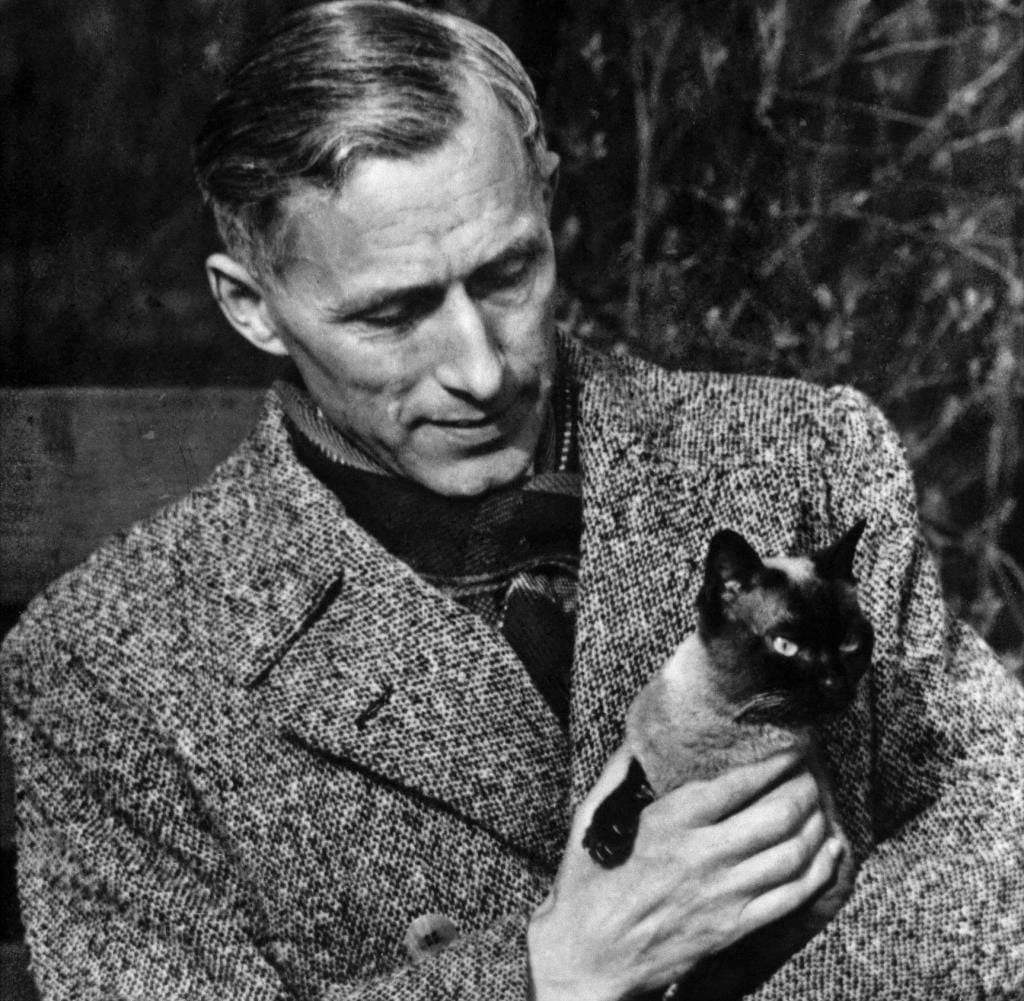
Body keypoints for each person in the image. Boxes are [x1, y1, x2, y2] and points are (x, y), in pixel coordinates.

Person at [2, 2, 1022, 999]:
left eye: (508, 273)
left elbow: (1000, 837)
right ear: (250, 306)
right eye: (392, 314)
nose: (481, 370)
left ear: (548, 199)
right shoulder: (107, 665)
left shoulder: (807, 459)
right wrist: (552, 971)